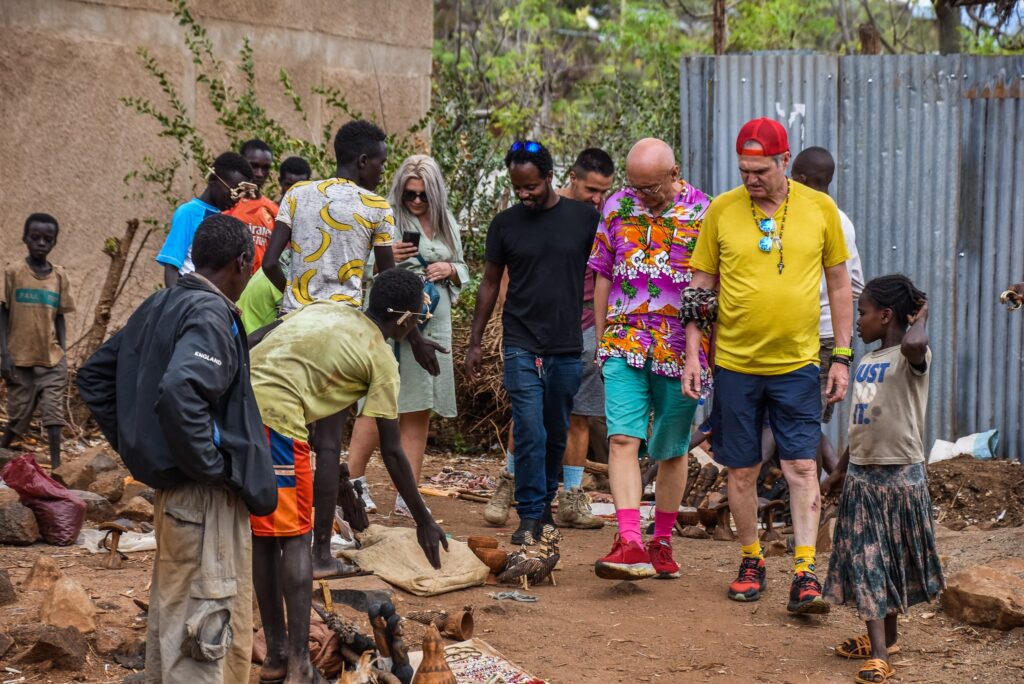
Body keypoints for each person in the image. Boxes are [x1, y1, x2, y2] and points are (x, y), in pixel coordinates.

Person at [76, 214, 276, 684]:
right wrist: (209, 464)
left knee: (175, 619)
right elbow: (181, 391)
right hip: (204, 500)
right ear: (242, 263)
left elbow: (95, 376)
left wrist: (144, 448)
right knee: (206, 630)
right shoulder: (209, 313)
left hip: (177, 497)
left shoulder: (160, 303)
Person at [681, 117, 853, 614]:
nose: (751, 179)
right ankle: (751, 559)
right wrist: (693, 355)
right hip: (735, 365)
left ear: (784, 160)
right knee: (741, 470)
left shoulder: (821, 210)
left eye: (760, 170)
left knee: (801, 464)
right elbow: (699, 291)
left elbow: (840, 286)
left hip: (798, 365)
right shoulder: (721, 211)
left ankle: (804, 571)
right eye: (744, 170)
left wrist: (841, 356)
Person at [262, 120, 444, 576]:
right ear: (363, 161)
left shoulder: (298, 194)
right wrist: (416, 338)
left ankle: (281, 541)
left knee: (282, 435)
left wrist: (296, 301)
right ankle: (320, 552)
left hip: (293, 325)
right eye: (381, 160)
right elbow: (389, 284)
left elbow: (268, 262)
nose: (384, 169)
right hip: (343, 331)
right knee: (326, 447)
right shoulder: (376, 208)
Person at [248, 268, 448, 683]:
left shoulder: (327, 307)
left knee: (264, 537)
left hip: (238, 411)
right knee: (294, 539)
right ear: (408, 320)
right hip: (277, 420)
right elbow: (392, 452)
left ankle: (276, 658)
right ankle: (299, 664)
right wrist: (424, 520)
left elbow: (252, 339)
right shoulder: (381, 359)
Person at [590, 139, 712, 580]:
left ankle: (661, 540)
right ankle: (629, 540)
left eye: (651, 188)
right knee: (622, 439)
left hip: (682, 351)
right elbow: (603, 273)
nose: (641, 195)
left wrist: (703, 353)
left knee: (670, 449)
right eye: (635, 186)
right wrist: (603, 340)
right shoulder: (617, 207)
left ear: (674, 173)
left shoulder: (705, 212)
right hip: (624, 341)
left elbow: (710, 289)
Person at [467, 140, 599, 545]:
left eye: (531, 187)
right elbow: (490, 283)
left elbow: (609, 269)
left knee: (557, 428)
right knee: (529, 429)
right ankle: (528, 516)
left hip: (565, 343)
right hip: (520, 340)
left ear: (550, 177)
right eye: (517, 187)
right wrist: (474, 340)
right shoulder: (505, 224)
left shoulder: (583, 218)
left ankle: (544, 508)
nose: (524, 194)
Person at [821, 275, 943, 684]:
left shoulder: (911, 357)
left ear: (887, 315)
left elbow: (912, 343)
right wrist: (838, 472)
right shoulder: (868, 362)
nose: (858, 322)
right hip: (862, 479)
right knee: (870, 560)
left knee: (886, 562)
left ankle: (880, 653)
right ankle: (883, 644)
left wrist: (922, 315)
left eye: (863, 313)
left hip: (900, 478)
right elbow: (861, 426)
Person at [347, 155, 470, 516]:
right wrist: (387, 258)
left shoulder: (447, 223)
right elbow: (359, 267)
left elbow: (463, 268)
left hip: (434, 322)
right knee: (377, 403)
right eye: (409, 195)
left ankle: (408, 493)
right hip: (391, 326)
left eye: (423, 196)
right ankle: (353, 482)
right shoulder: (386, 216)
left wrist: (449, 268)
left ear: (435, 194)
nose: (415, 202)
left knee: (419, 406)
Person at [791, 146, 865, 473]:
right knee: (802, 421)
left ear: (803, 179)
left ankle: (822, 498)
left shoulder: (818, 218)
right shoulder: (843, 221)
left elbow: (849, 286)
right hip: (819, 335)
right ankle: (827, 491)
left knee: (804, 426)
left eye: (792, 177)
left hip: (816, 338)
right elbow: (859, 285)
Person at [1, 214, 75, 468]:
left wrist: (63, 351)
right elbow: (3, 313)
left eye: (48, 239)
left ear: (54, 243)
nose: (41, 243)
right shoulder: (13, 273)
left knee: (53, 414)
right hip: (19, 359)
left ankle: (56, 467)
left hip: (51, 358)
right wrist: (4, 355)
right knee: (18, 417)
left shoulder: (59, 277)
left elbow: (60, 317)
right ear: (25, 239)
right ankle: (2, 450)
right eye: (35, 238)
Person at [236, 154, 313, 333]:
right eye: (289, 185)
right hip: (264, 283)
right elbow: (270, 263)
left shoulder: (298, 216)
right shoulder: (268, 212)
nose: (293, 192)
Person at [156, 152, 255, 288]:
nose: (235, 199)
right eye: (233, 191)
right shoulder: (188, 213)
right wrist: (177, 304)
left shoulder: (226, 217)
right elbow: (172, 266)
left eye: (240, 194)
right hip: (189, 295)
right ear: (213, 179)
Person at [225, 139, 279, 273]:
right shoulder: (227, 205)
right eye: (253, 166)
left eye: (265, 168)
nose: (259, 173)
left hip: (261, 288)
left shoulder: (274, 210)